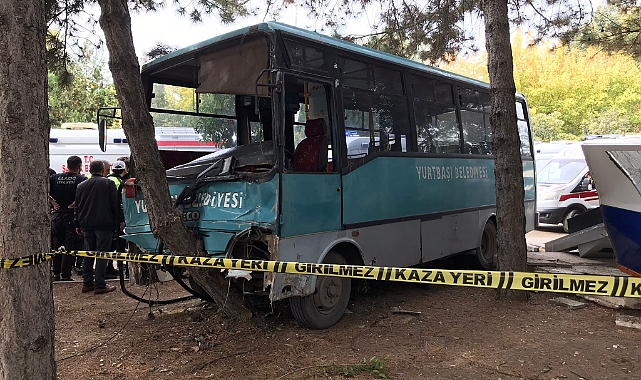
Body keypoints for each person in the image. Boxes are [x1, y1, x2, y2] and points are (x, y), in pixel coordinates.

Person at [74, 160, 122, 294]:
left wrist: (77, 223)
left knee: (88, 253)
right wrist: (120, 220)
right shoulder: (108, 183)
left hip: (87, 224)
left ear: (89, 171)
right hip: (104, 223)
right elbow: (115, 204)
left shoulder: (81, 186)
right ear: (102, 171)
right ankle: (100, 284)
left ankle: (87, 282)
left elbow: (77, 207)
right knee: (102, 253)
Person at [50, 156, 86, 281]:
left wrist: (53, 202)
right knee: (70, 246)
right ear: (80, 166)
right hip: (71, 215)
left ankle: (55, 272)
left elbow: (43, 189)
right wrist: (75, 203)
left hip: (57, 215)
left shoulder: (55, 178)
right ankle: (66, 274)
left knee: (57, 245)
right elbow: (84, 196)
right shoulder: (81, 179)